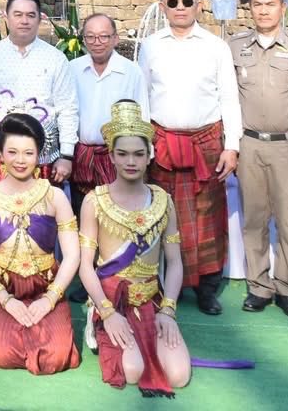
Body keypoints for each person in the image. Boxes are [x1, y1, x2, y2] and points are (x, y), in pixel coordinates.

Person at [135, 0, 240, 314]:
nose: (180, 8)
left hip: (206, 143)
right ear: (162, 5)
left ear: (199, 3)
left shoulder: (216, 46)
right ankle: (167, 288)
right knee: (165, 217)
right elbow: (143, 97)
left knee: (207, 219)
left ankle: (207, 290)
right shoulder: (151, 46)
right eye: (173, 2)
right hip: (162, 142)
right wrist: (144, 143)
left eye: (187, 1)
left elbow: (229, 99)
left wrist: (232, 146)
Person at [77, 99, 190, 397]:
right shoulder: (94, 201)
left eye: (139, 154)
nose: (131, 161)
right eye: (122, 154)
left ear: (149, 156)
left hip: (153, 300)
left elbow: (175, 263)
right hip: (111, 300)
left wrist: (168, 310)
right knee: (131, 371)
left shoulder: (163, 200)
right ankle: (97, 324)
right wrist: (107, 312)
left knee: (178, 376)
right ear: (111, 156)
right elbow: (85, 265)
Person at [227, 0, 288, 319]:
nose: (263, 10)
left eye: (270, 4)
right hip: (249, 144)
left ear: (283, 8)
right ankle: (259, 286)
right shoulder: (236, 46)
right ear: (249, 9)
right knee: (253, 219)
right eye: (257, 5)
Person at [0, 111, 80, 374]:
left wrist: (50, 299)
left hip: (46, 286)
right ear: (0, 153)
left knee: (57, 358)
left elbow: (73, 255)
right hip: (0, 287)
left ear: (40, 153)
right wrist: (6, 300)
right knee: (1, 356)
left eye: (29, 153)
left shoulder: (54, 196)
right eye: (13, 152)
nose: (20, 160)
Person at [0, 0, 77, 184]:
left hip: (44, 155)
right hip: (1, 155)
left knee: (43, 211)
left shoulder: (56, 58)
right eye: (18, 14)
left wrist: (66, 155)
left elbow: (67, 107)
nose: (24, 21)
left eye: (30, 15)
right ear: (6, 17)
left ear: (40, 19)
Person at [67, 13, 147, 222]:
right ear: (83, 39)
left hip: (117, 158)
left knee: (118, 218)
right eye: (91, 37)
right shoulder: (72, 69)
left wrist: (144, 157)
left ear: (115, 39)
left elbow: (142, 116)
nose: (97, 43)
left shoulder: (131, 72)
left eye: (104, 36)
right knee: (82, 215)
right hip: (81, 157)